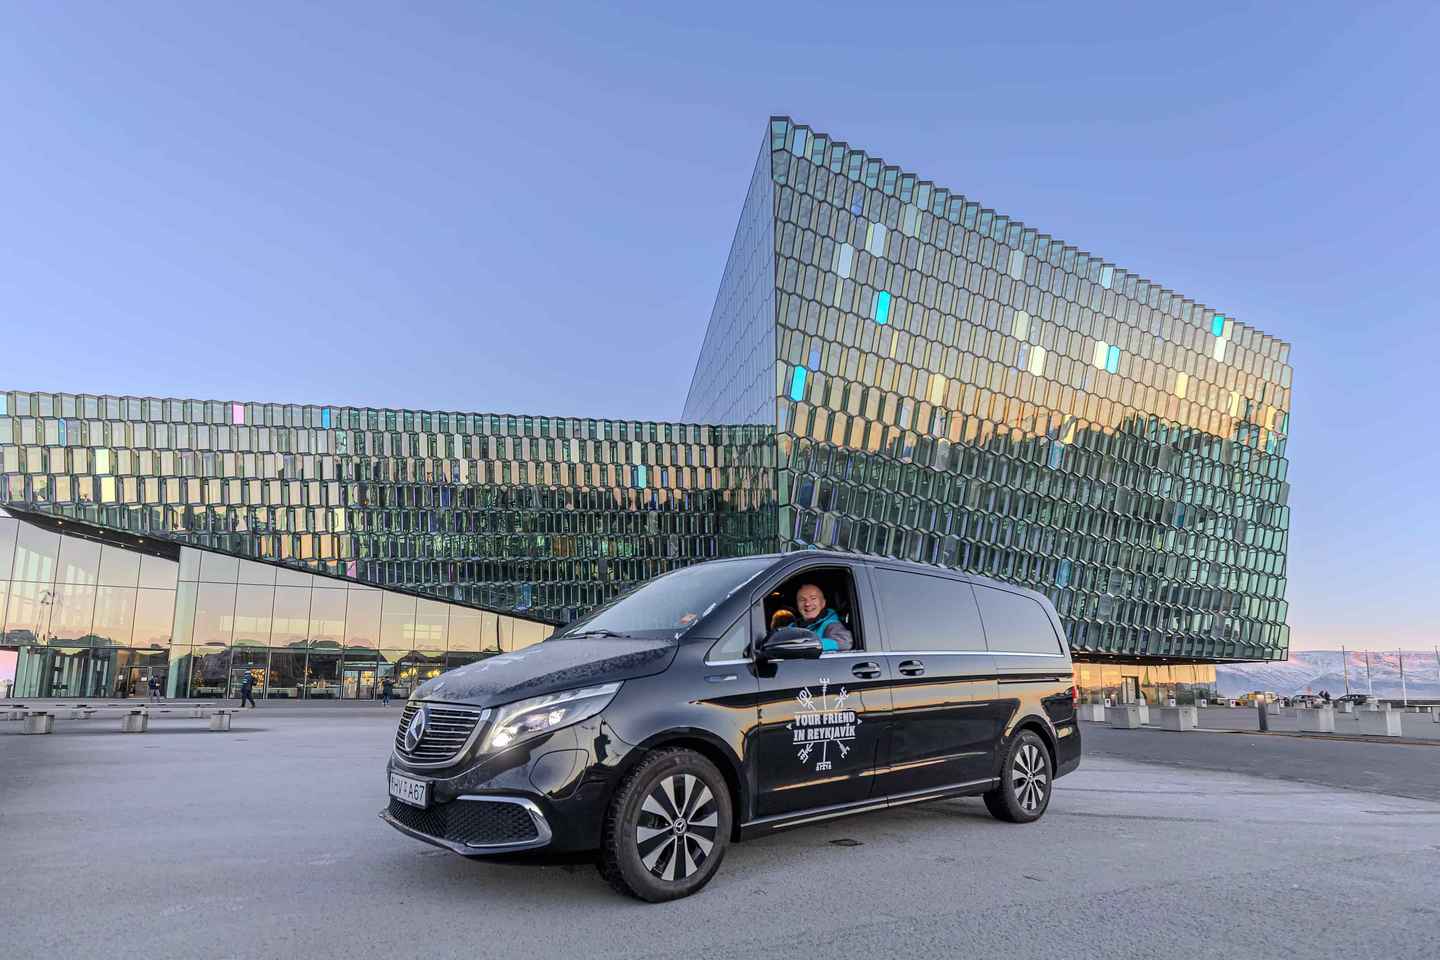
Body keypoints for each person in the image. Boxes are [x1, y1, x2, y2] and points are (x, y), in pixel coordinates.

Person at [794, 583, 854, 653]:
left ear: (823, 603)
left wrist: (808, 644)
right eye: (802, 600)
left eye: (813, 598)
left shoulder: (831, 624)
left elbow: (844, 642)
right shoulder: (792, 626)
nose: (807, 604)